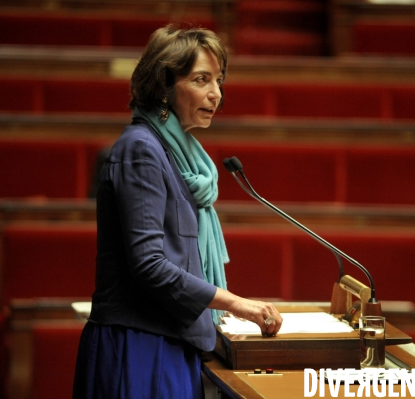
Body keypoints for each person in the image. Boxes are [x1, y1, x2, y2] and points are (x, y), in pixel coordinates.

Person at [73, 25, 283, 399]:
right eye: (201, 80)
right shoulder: (141, 150)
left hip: (168, 340)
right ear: (164, 86)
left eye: (219, 81)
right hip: (138, 348)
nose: (216, 94)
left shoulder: (176, 154)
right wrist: (233, 302)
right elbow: (149, 264)